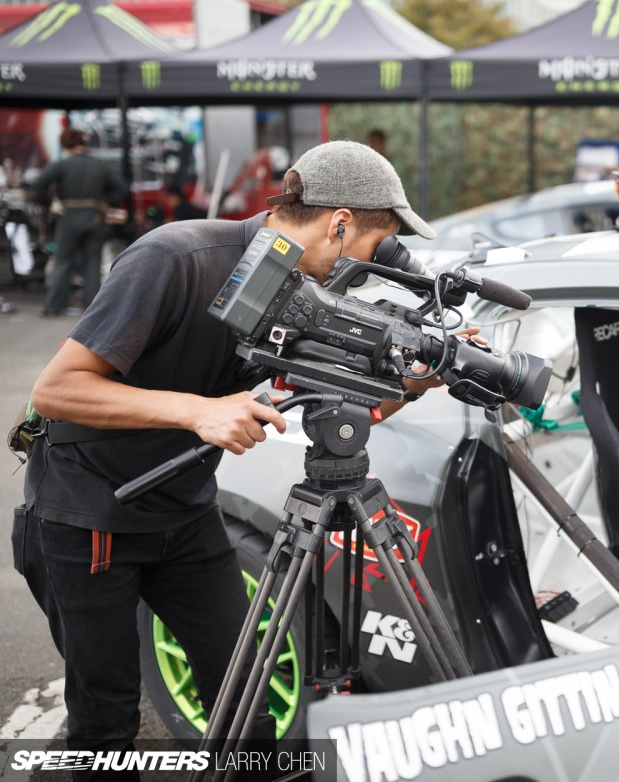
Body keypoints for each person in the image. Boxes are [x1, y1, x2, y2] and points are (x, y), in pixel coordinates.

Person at [14, 141, 444, 778]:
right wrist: (196, 410)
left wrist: (415, 381)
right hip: (89, 516)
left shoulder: (301, 292)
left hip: (185, 517)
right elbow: (56, 390)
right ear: (340, 223)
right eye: (375, 247)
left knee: (247, 705)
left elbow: (344, 411)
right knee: (104, 723)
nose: (373, 267)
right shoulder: (175, 257)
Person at [32, 128, 128, 316]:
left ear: (66, 145)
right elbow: (123, 188)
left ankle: (55, 306)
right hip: (95, 217)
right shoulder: (99, 165)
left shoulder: (62, 165)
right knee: (92, 262)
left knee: (63, 261)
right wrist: (106, 203)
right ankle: (93, 308)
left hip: (69, 217)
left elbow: (38, 185)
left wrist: (50, 202)